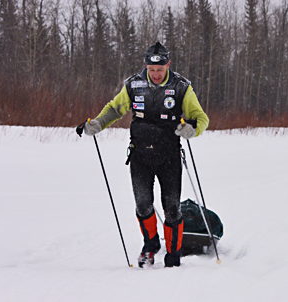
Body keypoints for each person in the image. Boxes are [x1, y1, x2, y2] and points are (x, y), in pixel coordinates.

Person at [83, 42, 209, 268]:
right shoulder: (133, 85)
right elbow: (114, 109)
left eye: (160, 70)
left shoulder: (181, 87)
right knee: (143, 205)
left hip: (169, 156)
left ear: (168, 65)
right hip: (140, 155)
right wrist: (98, 123)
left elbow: (200, 118)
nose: (156, 74)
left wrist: (192, 129)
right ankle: (150, 246)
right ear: (146, 66)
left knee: (172, 207)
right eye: (151, 70)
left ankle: (173, 254)